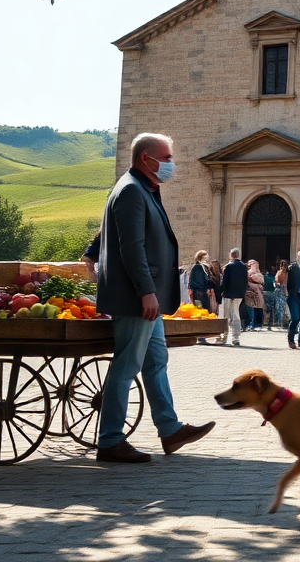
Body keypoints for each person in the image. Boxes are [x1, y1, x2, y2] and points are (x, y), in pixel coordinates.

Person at [94, 132, 214, 462]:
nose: (171, 164)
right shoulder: (132, 191)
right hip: (136, 298)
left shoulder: (143, 188)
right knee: (126, 365)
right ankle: (109, 441)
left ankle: (170, 429)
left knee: (155, 361)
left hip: (148, 298)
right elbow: (131, 247)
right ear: (146, 158)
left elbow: (123, 237)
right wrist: (146, 291)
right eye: (167, 158)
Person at [218, 249, 248, 346]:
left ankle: (225, 335)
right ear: (238, 255)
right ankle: (236, 337)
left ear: (231, 255)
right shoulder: (244, 267)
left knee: (227, 315)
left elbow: (224, 281)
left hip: (228, 293)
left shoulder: (228, 266)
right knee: (236, 314)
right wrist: (243, 292)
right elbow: (245, 282)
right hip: (239, 294)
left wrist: (220, 291)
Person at [244, 259, 265, 331]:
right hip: (248, 294)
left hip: (257, 294)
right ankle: (250, 323)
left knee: (257, 308)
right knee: (249, 307)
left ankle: (257, 323)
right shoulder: (246, 273)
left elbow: (260, 282)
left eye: (252, 264)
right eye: (249, 264)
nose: (250, 265)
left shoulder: (258, 274)